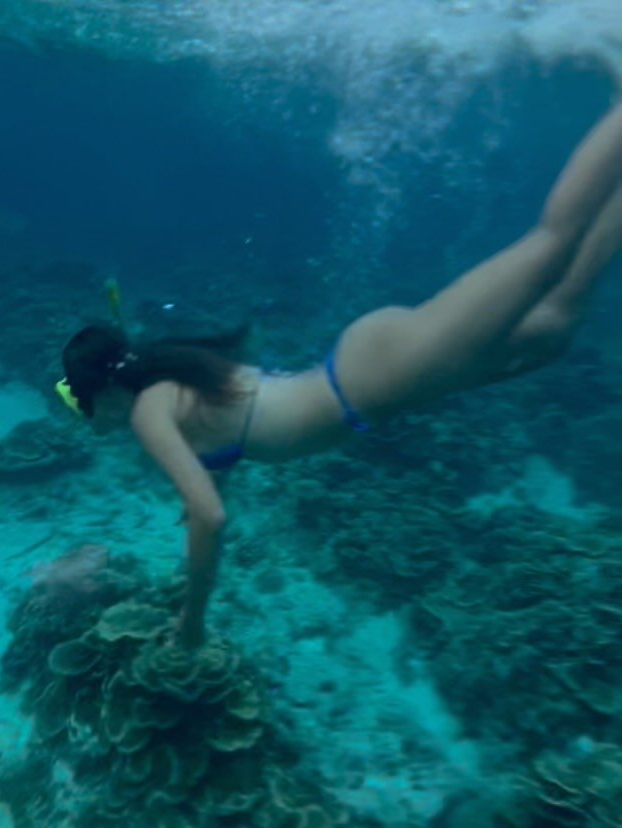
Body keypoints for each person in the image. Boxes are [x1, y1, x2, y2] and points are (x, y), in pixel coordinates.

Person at [58, 103, 622, 649]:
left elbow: (210, 515)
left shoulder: (148, 412)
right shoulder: (164, 388)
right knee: (556, 326)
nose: (81, 417)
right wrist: (204, 487)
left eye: (75, 402)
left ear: (101, 390)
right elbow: (218, 449)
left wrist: (193, 620)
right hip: (373, 373)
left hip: (378, 374)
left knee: (551, 246)